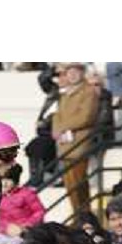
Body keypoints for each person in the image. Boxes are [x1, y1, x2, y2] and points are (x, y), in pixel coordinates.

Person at [52, 63, 99, 216]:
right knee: (69, 185)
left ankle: (84, 216)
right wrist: (56, 131)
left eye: (75, 72)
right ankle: (77, 215)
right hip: (64, 143)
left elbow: (86, 117)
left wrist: (62, 128)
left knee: (79, 183)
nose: (72, 75)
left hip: (79, 142)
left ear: (82, 73)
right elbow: (56, 115)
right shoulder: (65, 94)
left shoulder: (89, 91)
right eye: (69, 72)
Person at [0, 164, 45, 244]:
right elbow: (0, 218)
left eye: (8, 179)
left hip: (25, 234)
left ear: (15, 181)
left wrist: (25, 226)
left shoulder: (26, 193)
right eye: (1, 179)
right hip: (5, 233)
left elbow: (39, 211)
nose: (4, 183)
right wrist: (6, 227)